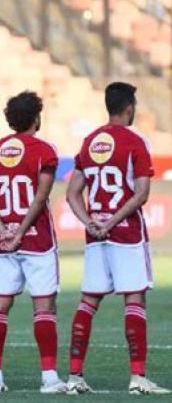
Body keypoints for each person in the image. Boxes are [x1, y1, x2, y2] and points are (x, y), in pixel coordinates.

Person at [65, 82, 170, 395]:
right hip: (125, 233)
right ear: (129, 108)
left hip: (95, 234)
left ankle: (74, 377)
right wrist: (112, 220)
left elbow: (72, 194)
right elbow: (141, 193)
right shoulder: (135, 142)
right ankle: (138, 378)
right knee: (134, 299)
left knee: (88, 301)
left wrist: (92, 222)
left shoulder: (90, 141)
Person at [0, 91, 66, 394]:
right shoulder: (44, 150)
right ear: (36, 117)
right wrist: (21, 231)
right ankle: (49, 378)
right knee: (44, 307)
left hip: (6, 243)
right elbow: (41, 197)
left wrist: (3, 229)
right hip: (37, 240)